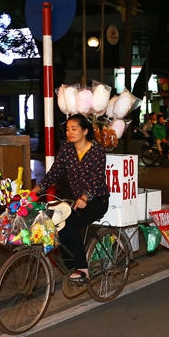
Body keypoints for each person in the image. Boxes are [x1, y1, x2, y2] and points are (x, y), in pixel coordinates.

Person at [32, 114, 109, 283]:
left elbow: (97, 179)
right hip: (75, 201)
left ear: (85, 130)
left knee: (70, 224)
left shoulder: (96, 151)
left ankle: (82, 268)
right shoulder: (67, 149)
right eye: (67, 129)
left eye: (74, 129)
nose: (70, 133)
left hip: (96, 199)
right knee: (57, 226)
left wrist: (85, 197)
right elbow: (54, 173)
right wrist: (36, 191)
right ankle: (71, 268)